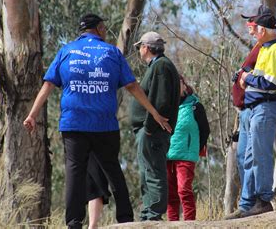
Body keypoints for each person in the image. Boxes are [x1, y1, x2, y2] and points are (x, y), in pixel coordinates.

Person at [23, 14, 171, 228]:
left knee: (74, 171)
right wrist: (154, 113)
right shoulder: (112, 52)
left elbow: (48, 85)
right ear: (100, 29)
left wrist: (32, 115)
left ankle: (74, 222)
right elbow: (132, 86)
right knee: (112, 169)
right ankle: (125, 219)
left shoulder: (66, 51)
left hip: (73, 124)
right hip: (104, 125)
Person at [225, 5, 276, 219]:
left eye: (254, 28)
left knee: (260, 156)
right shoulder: (264, 49)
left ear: (262, 30)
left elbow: (271, 83)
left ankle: (263, 200)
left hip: (266, 106)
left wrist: (247, 79)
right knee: (247, 156)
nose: (251, 31)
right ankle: (248, 204)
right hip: (254, 107)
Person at [130, 31, 180, 221]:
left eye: (139, 47)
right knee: (147, 171)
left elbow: (160, 102)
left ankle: (153, 213)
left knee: (154, 170)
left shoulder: (161, 67)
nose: (139, 51)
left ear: (146, 47)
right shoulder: (159, 66)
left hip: (152, 131)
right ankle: (148, 212)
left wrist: (149, 128)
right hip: (149, 130)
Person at [166, 75, 210, 221]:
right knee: (170, 195)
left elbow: (205, 130)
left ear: (184, 85)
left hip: (186, 156)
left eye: (178, 83)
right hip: (167, 156)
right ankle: (173, 224)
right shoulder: (165, 106)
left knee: (184, 190)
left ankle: (189, 223)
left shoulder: (195, 106)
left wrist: (194, 148)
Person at [232, 16, 261, 188]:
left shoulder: (264, 48)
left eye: (251, 27)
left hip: (252, 108)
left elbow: (258, 73)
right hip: (244, 110)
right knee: (242, 156)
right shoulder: (257, 47)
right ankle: (247, 200)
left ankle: (253, 198)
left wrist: (244, 75)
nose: (249, 31)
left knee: (250, 157)